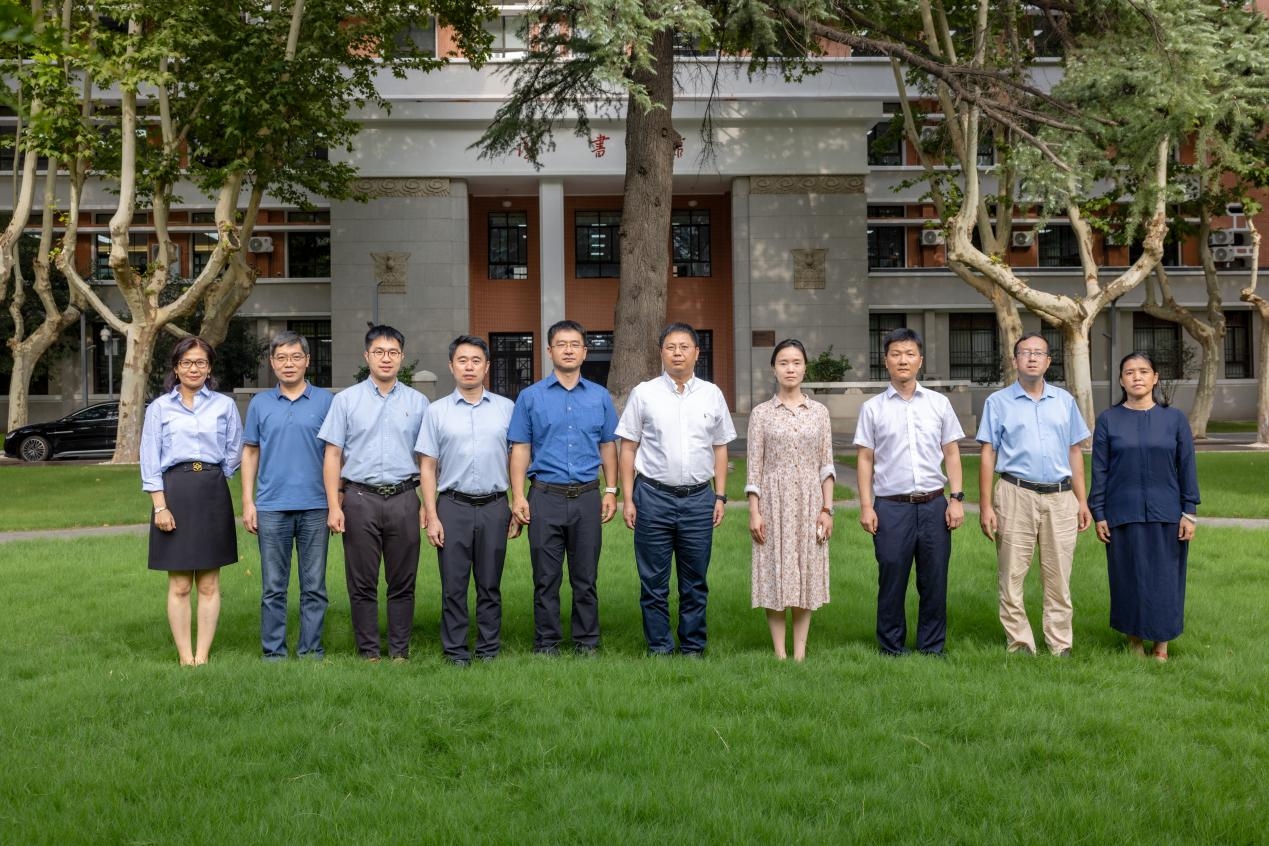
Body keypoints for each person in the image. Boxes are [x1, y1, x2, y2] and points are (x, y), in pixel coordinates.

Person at [618, 322, 737, 657]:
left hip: (698, 499)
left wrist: (720, 495)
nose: (678, 353)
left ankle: (692, 646)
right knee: (653, 582)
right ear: (661, 353)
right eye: (670, 347)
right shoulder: (644, 393)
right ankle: (659, 647)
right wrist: (628, 499)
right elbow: (628, 447)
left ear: (697, 352)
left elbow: (720, 447)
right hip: (652, 497)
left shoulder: (712, 394)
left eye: (685, 347)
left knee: (695, 581)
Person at [318, 325, 429, 661]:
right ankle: (368, 651)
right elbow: (333, 455)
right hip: (359, 499)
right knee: (362, 581)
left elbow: (427, 459)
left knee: (403, 581)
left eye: (392, 352)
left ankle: (399, 651)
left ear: (402, 357)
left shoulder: (418, 402)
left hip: (404, 498)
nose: (386, 358)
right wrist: (334, 505)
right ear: (367, 356)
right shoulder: (346, 401)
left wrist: (427, 504)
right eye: (379, 352)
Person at [508, 320, 619, 656]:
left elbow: (608, 446)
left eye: (575, 345)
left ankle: (587, 642)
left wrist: (611, 490)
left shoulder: (600, 397)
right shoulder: (530, 397)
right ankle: (547, 643)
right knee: (546, 578)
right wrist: (518, 496)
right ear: (549, 351)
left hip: (587, 497)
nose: (568, 350)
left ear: (585, 352)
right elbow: (521, 448)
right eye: (561, 344)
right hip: (545, 497)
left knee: (585, 578)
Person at [977, 332, 1092, 657]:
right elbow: (988, 453)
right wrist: (985, 506)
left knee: (1059, 576)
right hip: (1015, 494)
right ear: (1014, 360)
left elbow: (1074, 452)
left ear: (1048, 361)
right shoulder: (997, 403)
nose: (1031, 358)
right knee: (1012, 573)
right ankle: (1020, 642)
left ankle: (1060, 643)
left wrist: (1082, 501)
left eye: (1038, 353)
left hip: (1061, 497)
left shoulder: (1064, 401)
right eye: (1025, 352)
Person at [854, 328, 965, 657]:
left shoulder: (939, 404)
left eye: (909, 354)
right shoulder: (873, 408)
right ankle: (891, 647)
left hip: (934, 505)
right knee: (891, 576)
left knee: (934, 579)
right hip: (891, 507)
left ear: (920, 360)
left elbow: (952, 453)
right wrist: (866, 506)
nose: (903, 360)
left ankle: (932, 647)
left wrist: (956, 499)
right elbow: (865, 459)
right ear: (885, 361)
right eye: (896, 354)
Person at [417, 335, 520, 666]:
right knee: (454, 585)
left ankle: (488, 649)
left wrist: (516, 503)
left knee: (490, 584)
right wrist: (432, 514)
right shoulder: (436, 412)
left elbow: (517, 460)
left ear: (487, 366)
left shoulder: (506, 409)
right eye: (462, 360)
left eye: (476, 361)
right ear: (451, 366)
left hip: (494, 506)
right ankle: (455, 651)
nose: (469, 367)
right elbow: (427, 466)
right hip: (452, 506)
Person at [1090, 351, 1199, 662]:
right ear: (1121, 380)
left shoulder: (1174, 419)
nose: (1136, 377)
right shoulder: (1108, 420)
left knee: (1165, 581)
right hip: (1122, 513)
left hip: (1168, 513)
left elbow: (1186, 465)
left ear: (1155, 378)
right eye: (1129, 372)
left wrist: (1189, 511)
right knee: (1129, 579)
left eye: (1143, 371)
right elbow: (1100, 470)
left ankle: (1161, 646)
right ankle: (1135, 643)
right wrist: (1099, 512)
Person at [140, 336, 243, 666]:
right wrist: (160, 506)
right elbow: (149, 458)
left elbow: (235, 449)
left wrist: (216, 474)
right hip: (175, 492)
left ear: (209, 368)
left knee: (209, 583)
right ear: (176, 367)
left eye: (200, 362)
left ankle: (203, 656)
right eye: (186, 362)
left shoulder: (224, 406)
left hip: (212, 491)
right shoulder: (159, 408)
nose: (193, 368)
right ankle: (186, 657)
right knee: (181, 584)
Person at [241, 331, 334, 661]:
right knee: (273, 588)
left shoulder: (326, 402)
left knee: (314, 587)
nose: (289, 364)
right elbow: (250, 452)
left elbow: (336, 454)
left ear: (307, 361)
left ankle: (311, 650)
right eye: (281, 358)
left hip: (316, 507)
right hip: (271, 507)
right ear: (272, 363)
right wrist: (248, 502)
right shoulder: (260, 404)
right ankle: (274, 653)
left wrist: (336, 500)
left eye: (295, 357)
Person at [746, 338, 835, 662]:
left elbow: (826, 464)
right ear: (774, 368)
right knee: (775, 572)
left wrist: (827, 509)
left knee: (805, 572)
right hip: (773, 502)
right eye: (783, 363)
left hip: (810, 501)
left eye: (796, 362)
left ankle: (799, 653)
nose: (790, 369)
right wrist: (754, 511)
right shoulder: (761, 414)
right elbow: (754, 466)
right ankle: (780, 653)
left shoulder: (820, 413)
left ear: (805, 368)